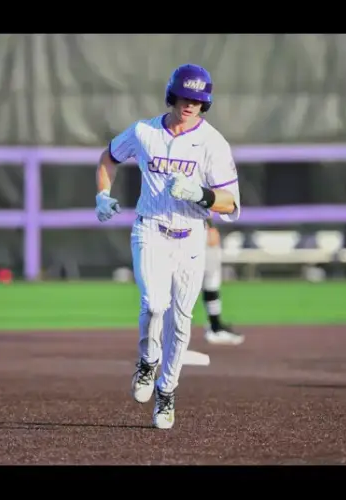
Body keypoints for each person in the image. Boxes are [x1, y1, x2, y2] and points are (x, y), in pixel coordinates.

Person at [94, 63, 242, 430]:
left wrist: (201, 194)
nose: (190, 104)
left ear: (205, 103)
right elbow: (109, 157)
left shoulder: (212, 143)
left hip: (190, 235)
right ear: (171, 95)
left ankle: (167, 390)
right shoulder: (144, 132)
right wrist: (102, 194)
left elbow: (231, 203)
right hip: (150, 229)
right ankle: (147, 361)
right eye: (184, 97)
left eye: (197, 100)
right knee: (153, 303)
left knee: (180, 321)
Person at [202, 217, 245, 346]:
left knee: (210, 282)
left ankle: (215, 326)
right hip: (195, 231)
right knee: (208, 281)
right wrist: (209, 227)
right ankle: (215, 328)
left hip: (191, 231)